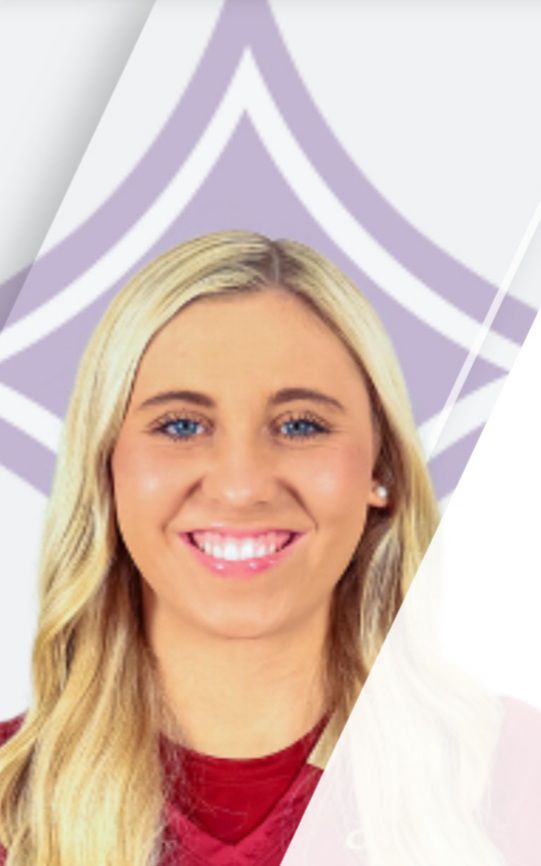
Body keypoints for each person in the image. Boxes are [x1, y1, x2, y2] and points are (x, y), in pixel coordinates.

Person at [0, 232, 439, 866]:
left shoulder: (514, 777)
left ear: (383, 468)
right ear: (106, 469)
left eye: (301, 425)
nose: (241, 486)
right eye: (181, 425)